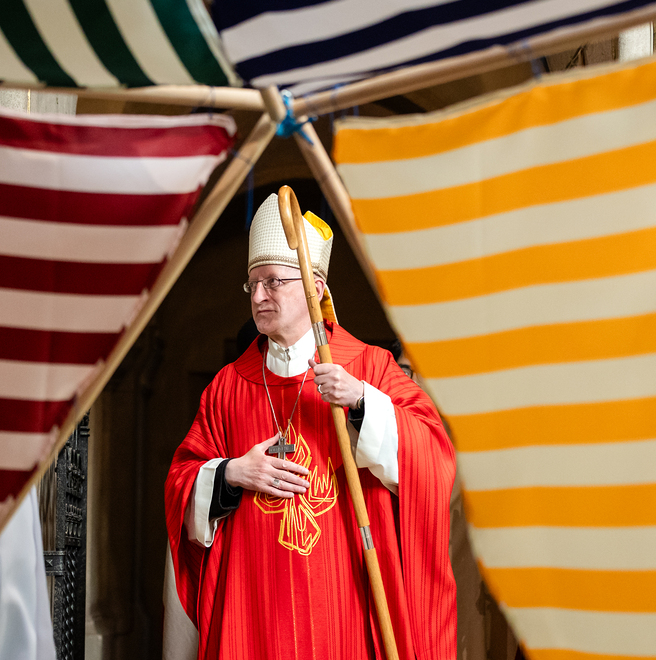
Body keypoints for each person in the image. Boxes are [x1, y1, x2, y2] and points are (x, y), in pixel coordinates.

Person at [165, 193, 457, 659]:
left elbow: (434, 459)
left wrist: (361, 401)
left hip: (343, 600)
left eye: (272, 282)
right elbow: (181, 481)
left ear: (315, 288)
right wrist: (231, 473)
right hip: (253, 604)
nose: (258, 296)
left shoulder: (370, 368)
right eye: (252, 284)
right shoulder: (226, 387)